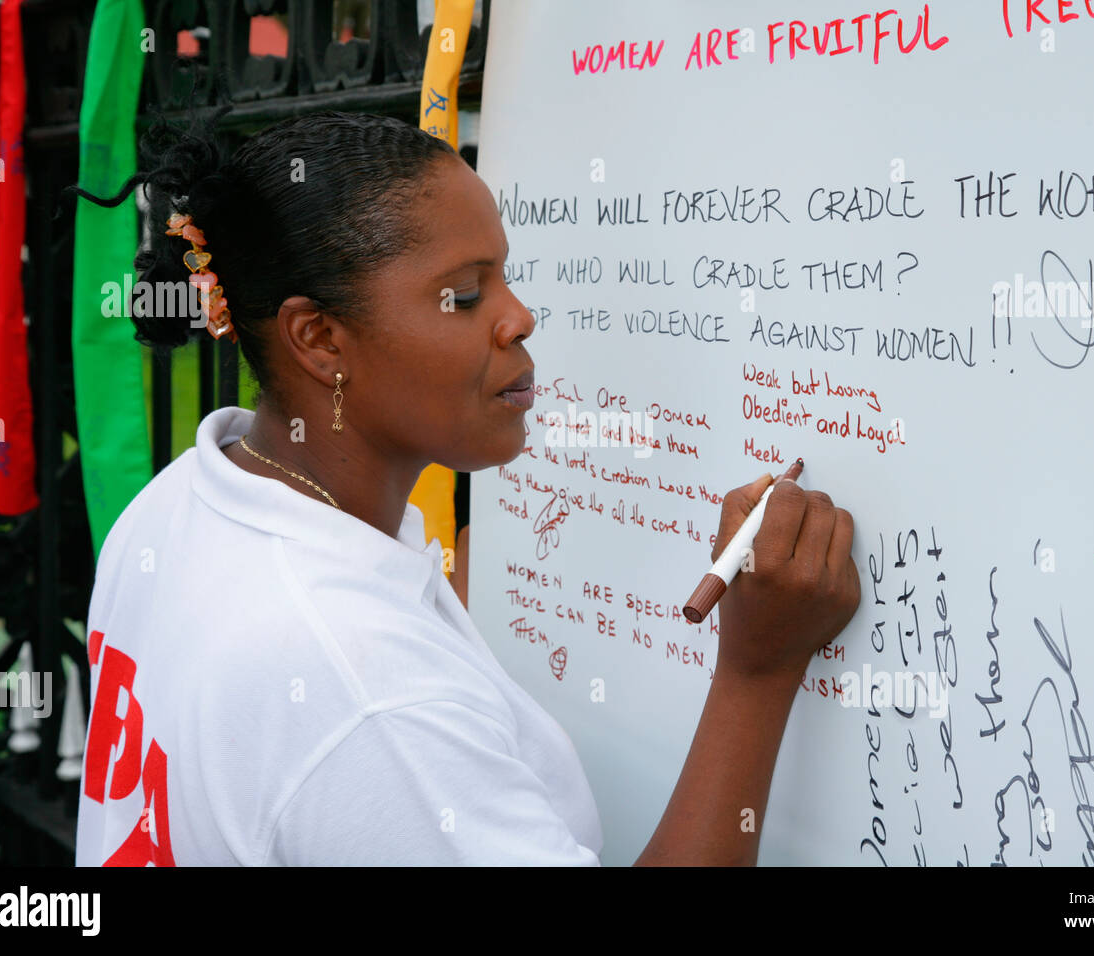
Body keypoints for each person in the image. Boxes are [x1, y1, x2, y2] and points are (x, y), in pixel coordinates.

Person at [69, 109, 861, 866]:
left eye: (506, 278)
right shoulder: (371, 698)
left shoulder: (185, 499)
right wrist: (756, 671)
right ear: (320, 338)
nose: (519, 318)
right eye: (467, 294)